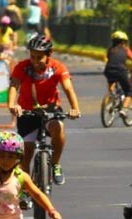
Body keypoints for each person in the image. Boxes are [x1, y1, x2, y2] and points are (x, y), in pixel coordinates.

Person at [8, 34, 80, 194]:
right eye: (32, 56)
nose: (35, 61)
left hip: (50, 109)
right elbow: (14, 86)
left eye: (39, 57)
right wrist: (12, 104)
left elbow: (68, 88)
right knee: (26, 154)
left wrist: (75, 107)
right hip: (27, 112)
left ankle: (55, 164)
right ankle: (26, 192)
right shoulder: (22, 67)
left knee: (58, 127)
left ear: (49, 54)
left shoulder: (57, 67)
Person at [104, 31, 132, 113]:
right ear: (124, 42)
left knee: (112, 86)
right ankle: (124, 109)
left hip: (108, 70)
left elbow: (113, 60)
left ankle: (110, 101)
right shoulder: (126, 50)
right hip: (120, 71)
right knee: (130, 91)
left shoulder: (110, 50)